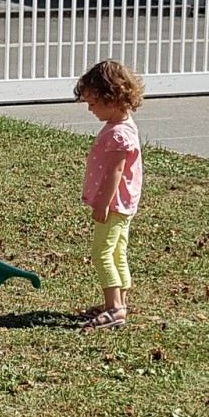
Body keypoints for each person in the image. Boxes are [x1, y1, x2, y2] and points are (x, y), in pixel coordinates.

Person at [74, 60, 144, 330]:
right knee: (117, 252)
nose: (90, 109)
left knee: (102, 253)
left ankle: (114, 308)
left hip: (113, 205)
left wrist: (102, 203)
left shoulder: (118, 134)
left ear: (112, 98)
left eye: (93, 103)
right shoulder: (125, 125)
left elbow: (116, 170)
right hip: (124, 204)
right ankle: (119, 303)